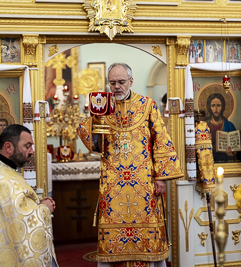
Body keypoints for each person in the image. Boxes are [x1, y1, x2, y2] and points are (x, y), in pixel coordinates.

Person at [77, 63, 184, 267]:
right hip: (113, 184)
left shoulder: (147, 105)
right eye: (112, 83)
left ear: (131, 82)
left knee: (147, 235)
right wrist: (95, 119)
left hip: (144, 184)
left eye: (121, 82)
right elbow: (91, 140)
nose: (116, 87)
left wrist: (160, 178)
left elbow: (161, 139)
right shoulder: (103, 108)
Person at [0, 124, 59, 267]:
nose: (31, 151)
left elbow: (16, 207)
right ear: (8, 148)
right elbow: (20, 220)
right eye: (27, 146)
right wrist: (44, 208)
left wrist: (38, 203)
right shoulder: (1, 180)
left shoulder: (2, 168)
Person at [206, 93, 240, 163]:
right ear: (209, 107)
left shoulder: (229, 125)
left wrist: (233, 153)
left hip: (226, 161)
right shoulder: (205, 125)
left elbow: (237, 150)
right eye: (213, 106)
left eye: (218, 105)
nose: (216, 109)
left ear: (223, 107)